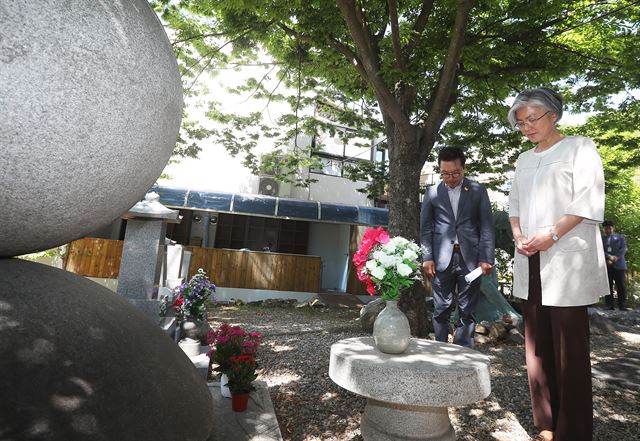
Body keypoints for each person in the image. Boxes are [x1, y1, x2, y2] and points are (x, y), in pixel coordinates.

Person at [507, 87, 609, 441]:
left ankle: (574, 431)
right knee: (536, 345)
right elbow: (514, 205)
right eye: (520, 122)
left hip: (566, 260)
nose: (526, 127)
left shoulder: (580, 148)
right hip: (531, 259)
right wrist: (518, 235)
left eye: (532, 119)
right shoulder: (523, 159)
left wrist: (551, 235)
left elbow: (587, 201)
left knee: (570, 350)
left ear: (554, 114)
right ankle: (547, 423)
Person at [420, 146, 495, 348]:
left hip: (470, 259)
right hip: (440, 260)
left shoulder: (478, 190)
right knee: (441, 308)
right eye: (445, 173)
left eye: (455, 173)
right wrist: (427, 257)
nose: (450, 177)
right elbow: (426, 227)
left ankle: (463, 354)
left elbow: (487, 226)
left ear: (463, 168)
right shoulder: (432, 192)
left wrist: (487, 258)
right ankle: (440, 350)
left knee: (467, 309)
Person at [602, 220, 629, 310]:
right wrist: (609, 257)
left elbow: (624, 249)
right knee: (608, 286)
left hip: (620, 265)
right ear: (604, 229)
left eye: (610, 228)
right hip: (607, 265)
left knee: (621, 286)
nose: (608, 230)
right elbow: (600, 250)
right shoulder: (601, 239)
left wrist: (616, 258)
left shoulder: (620, 237)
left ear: (613, 228)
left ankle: (622, 305)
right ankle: (609, 305)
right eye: (606, 229)